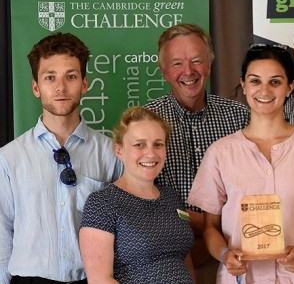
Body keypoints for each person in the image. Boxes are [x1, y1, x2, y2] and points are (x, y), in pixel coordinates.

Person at [187, 43, 294, 283]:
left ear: (290, 87)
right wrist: (225, 255)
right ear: (244, 85)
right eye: (255, 81)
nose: (264, 90)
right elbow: (210, 227)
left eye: (275, 82)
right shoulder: (221, 153)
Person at [0, 32, 122, 283]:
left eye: (71, 76)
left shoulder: (112, 154)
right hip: (30, 279)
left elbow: (126, 227)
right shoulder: (9, 157)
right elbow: (2, 232)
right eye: (50, 77)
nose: (60, 87)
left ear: (85, 84)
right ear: (36, 87)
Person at [144, 23, 250, 282]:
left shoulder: (240, 117)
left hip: (238, 254)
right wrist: (206, 226)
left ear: (210, 64)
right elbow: (143, 197)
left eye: (196, 60)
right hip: (171, 258)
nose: (188, 71)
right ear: (164, 71)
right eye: (177, 63)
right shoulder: (146, 122)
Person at [79, 107, 195, 283]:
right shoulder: (102, 203)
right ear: (119, 151)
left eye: (158, 144)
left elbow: (183, 260)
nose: (150, 153)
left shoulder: (172, 198)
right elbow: (100, 280)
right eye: (139, 144)